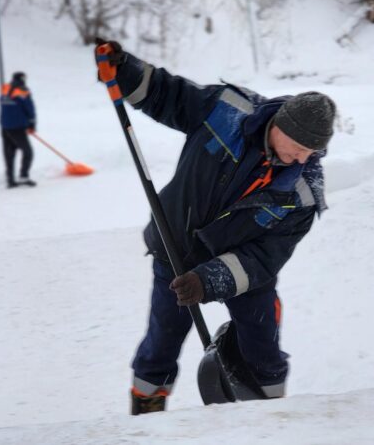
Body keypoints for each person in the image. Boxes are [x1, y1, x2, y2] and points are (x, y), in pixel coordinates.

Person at [94, 40, 336, 415]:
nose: (303, 157)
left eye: (312, 152)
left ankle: (273, 414)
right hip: (175, 248)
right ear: (280, 125)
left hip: (239, 270)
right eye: (299, 146)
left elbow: (263, 258)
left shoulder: (303, 192)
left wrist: (209, 280)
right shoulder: (226, 111)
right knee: (162, 339)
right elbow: (168, 95)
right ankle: (146, 412)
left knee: (262, 342)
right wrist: (125, 70)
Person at [0, 71, 37, 188]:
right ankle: (23, 176)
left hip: (4, 127)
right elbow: (30, 109)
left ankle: (10, 179)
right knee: (28, 152)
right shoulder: (23, 92)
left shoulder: (5, 89)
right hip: (17, 128)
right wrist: (32, 125)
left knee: (9, 153)